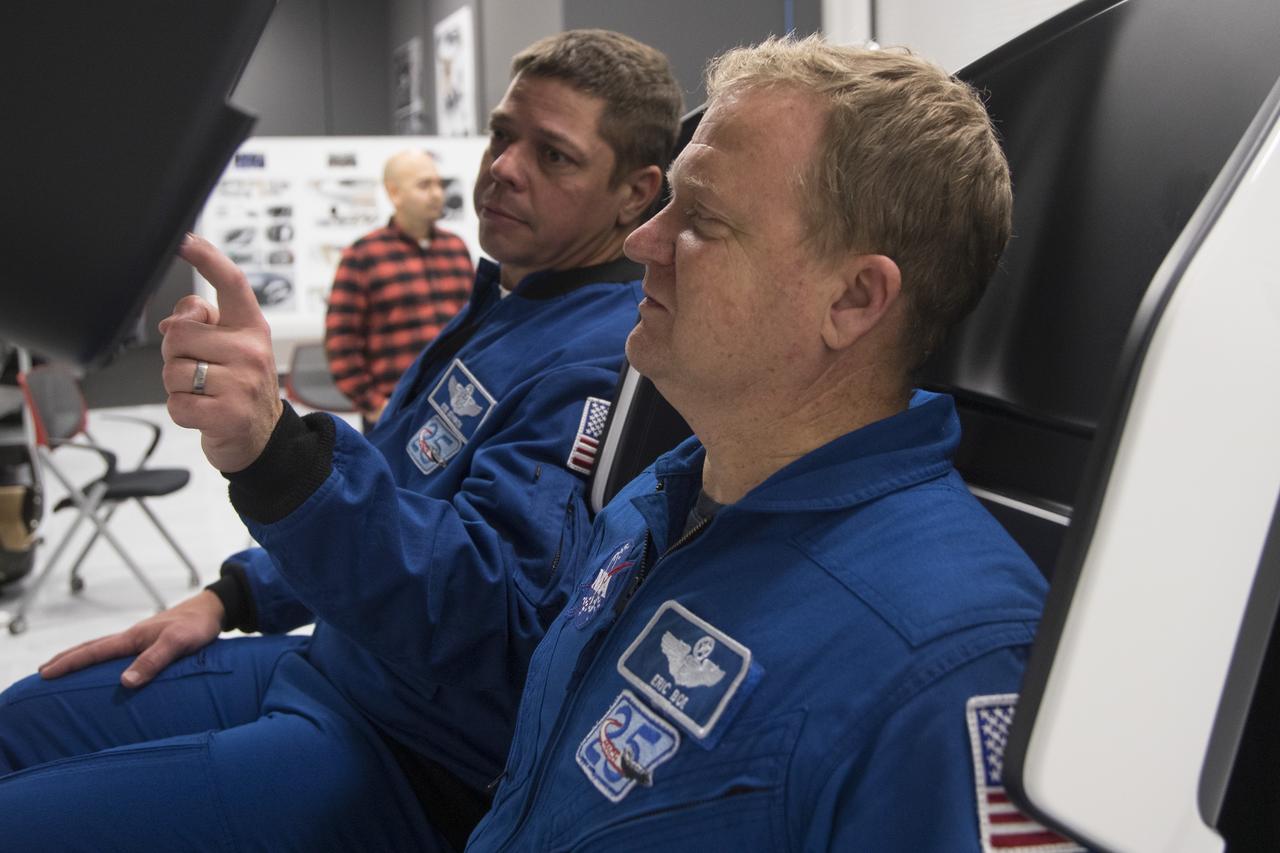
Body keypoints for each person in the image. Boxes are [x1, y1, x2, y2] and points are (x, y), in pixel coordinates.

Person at [0, 29, 681, 851]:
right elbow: (394, 487)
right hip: (333, 660)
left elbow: (490, 612)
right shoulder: (508, 306)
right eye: (503, 134)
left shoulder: (597, 356)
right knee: (19, 723)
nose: (503, 166)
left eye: (555, 156)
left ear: (636, 193)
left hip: (405, 752)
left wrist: (278, 452)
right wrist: (233, 597)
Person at [464, 37, 1079, 851]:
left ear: (854, 299)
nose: (642, 242)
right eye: (666, 204)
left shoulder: (944, 664)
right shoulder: (660, 501)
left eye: (702, 221)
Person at [324, 149, 474, 429]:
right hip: (395, 412)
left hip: (456, 408)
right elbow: (341, 341)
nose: (437, 194)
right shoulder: (364, 255)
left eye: (439, 184)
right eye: (424, 185)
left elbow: (477, 324)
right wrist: (374, 405)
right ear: (394, 194)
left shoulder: (456, 248)